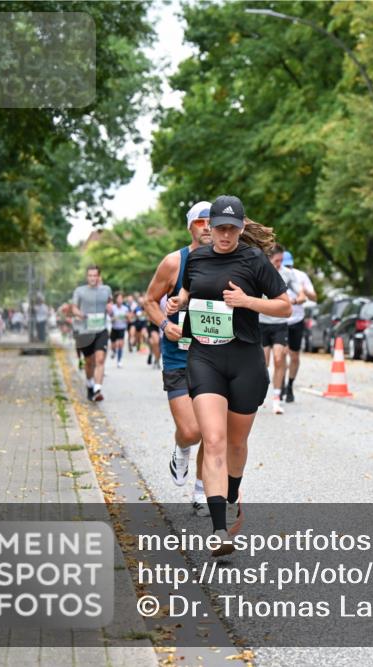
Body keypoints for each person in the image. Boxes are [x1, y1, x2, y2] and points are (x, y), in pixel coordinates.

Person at [166, 196, 290, 557]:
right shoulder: (197, 259)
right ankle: (219, 529)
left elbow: (284, 306)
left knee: (236, 443)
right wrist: (179, 303)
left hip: (245, 360)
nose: (224, 234)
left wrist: (248, 302)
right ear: (209, 227)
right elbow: (190, 291)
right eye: (218, 227)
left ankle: (232, 495)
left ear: (239, 229)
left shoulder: (253, 260)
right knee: (214, 439)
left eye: (231, 229)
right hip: (204, 357)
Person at [145, 201, 212, 516]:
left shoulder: (228, 262)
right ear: (191, 227)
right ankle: (181, 448)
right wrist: (164, 324)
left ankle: (201, 491)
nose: (208, 227)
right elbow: (149, 301)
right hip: (178, 357)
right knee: (191, 430)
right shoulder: (174, 262)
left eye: (214, 221)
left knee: (212, 432)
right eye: (201, 222)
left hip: (214, 358)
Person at [276, 251, 316, 405]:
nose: (287, 268)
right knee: (281, 355)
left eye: (289, 265)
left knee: (294, 356)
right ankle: (281, 386)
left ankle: (290, 385)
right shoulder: (275, 274)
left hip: (297, 320)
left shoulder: (300, 276)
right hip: (281, 321)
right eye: (284, 265)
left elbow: (314, 297)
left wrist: (304, 292)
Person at [259, 244, 292, 414]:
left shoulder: (287, 274)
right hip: (262, 323)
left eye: (281, 260)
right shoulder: (260, 272)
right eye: (277, 261)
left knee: (279, 359)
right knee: (263, 363)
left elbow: (299, 292)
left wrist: (300, 297)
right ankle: (259, 395)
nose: (279, 264)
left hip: (279, 324)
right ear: (269, 259)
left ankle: (277, 398)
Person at [72, 265, 113, 401]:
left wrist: (110, 307)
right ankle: (90, 384)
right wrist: (81, 315)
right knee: (89, 362)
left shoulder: (106, 290)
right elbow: (74, 308)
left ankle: (97, 389)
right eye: (90, 276)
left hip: (101, 330)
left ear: (98, 276)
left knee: (100, 360)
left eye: (95, 275)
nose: (92, 278)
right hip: (85, 331)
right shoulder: (80, 291)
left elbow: (109, 302)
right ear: (87, 277)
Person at [109, 293, 130, 367]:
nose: (120, 300)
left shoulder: (125, 308)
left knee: (120, 345)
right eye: (118, 299)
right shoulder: (112, 308)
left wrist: (127, 317)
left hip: (122, 328)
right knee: (114, 345)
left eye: (121, 299)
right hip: (114, 328)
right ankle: (113, 351)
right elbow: (109, 319)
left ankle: (119, 360)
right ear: (116, 299)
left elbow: (129, 319)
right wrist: (113, 319)